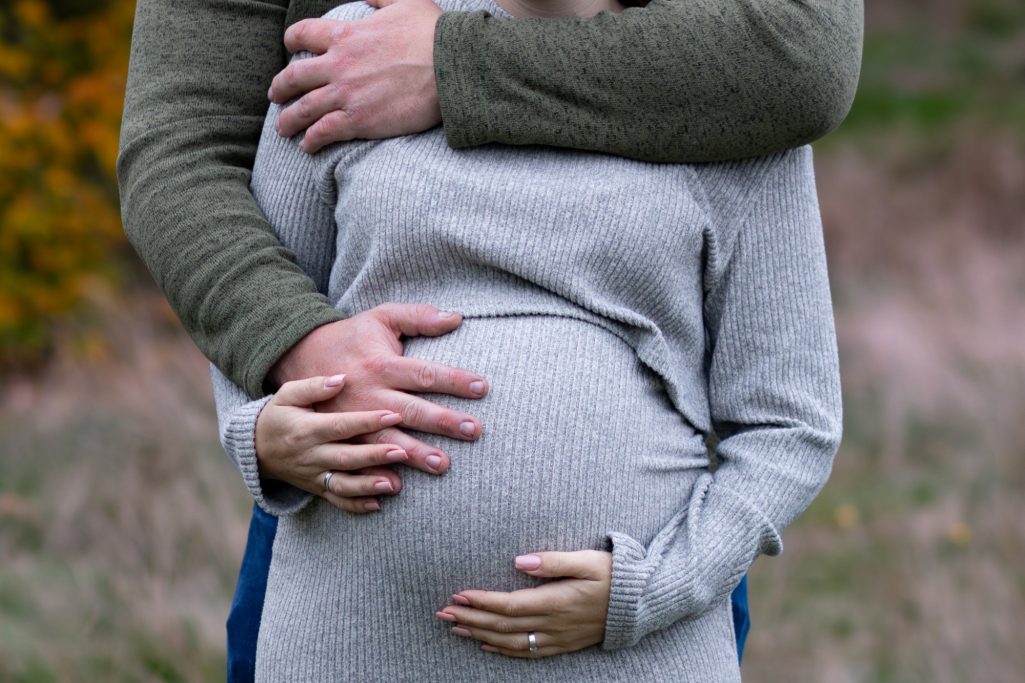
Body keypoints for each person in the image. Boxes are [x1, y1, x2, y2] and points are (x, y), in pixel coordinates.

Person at [117, 0, 861, 677]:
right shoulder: (337, 58)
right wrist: (276, 382)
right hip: (345, 620)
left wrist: (454, 64)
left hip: (638, 619)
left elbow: (800, 56)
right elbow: (185, 155)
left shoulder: (733, 124)